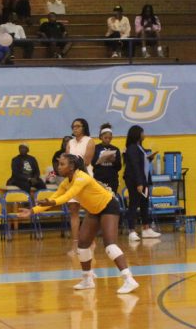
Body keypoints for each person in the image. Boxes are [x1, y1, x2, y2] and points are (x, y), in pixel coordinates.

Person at [18, 153, 139, 294]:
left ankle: (129, 279)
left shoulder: (82, 177)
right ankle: (87, 280)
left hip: (109, 206)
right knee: (82, 245)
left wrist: (52, 202)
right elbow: (53, 198)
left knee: (110, 245)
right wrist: (32, 211)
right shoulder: (65, 182)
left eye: (62, 164)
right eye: (58, 164)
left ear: (72, 167)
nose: (58, 167)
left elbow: (68, 196)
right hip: (93, 211)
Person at [124, 124, 160, 242]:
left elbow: (141, 163)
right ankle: (131, 231)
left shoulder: (140, 148)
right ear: (137, 134)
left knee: (144, 203)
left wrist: (149, 158)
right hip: (135, 181)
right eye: (142, 132)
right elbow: (135, 166)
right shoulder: (132, 148)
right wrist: (139, 183)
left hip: (143, 180)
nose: (144, 134)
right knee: (133, 204)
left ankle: (146, 229)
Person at [65, 118, 96, 252]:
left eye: (78, 126)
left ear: (84, 127)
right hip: (72, 178)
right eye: (73, 126)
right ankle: (75, 242)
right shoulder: (69, 143)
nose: (75, 128)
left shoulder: (89, 141)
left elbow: (87, 161)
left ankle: (91, 240)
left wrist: (72, 163)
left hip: (85, 177)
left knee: (89, 210)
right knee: (73, 209)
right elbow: (66, 160)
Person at [92, 123, 123, 194]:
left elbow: (119, 167)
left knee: (111, 198)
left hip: (112, 179)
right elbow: (93, 163)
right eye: (105, 138)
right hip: (99, 178)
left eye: (109, 138)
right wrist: (101, 159)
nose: (107, 140)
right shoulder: (96, 148)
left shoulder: (115, 149)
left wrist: (114, 161)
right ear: (101, 137)